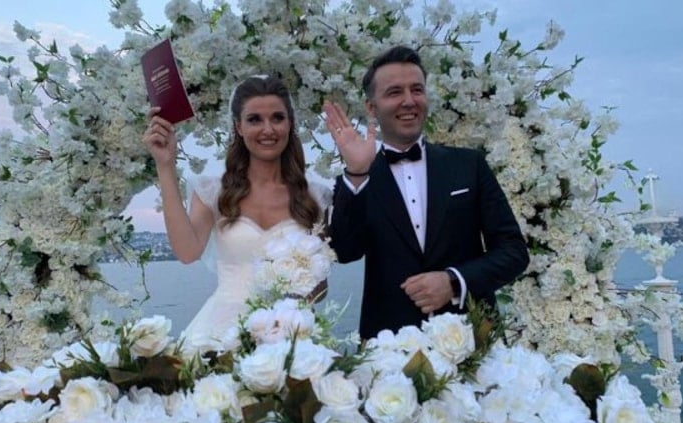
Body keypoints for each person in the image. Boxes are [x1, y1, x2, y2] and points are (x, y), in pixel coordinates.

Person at [324, 46, 529, 339]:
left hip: (473, 338)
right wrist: (357, 173)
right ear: (371, 107)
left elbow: (514, 251)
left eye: (417, 90)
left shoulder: (469, 164)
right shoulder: (361, 178)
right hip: (389, 347)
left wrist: (453, 281)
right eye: (394, 92)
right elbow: (345, 252)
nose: (409, 101)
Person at [143, 75, 331, 346]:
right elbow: (187, 252)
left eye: (277, 118)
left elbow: (320, 289)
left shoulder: (316, 197)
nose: (268, 129)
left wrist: (293, 287)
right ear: (238, 127)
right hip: (220, 333)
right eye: (254, 119)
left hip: (292, 335)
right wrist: (165, 165)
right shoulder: (213, 192)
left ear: (290, 124)